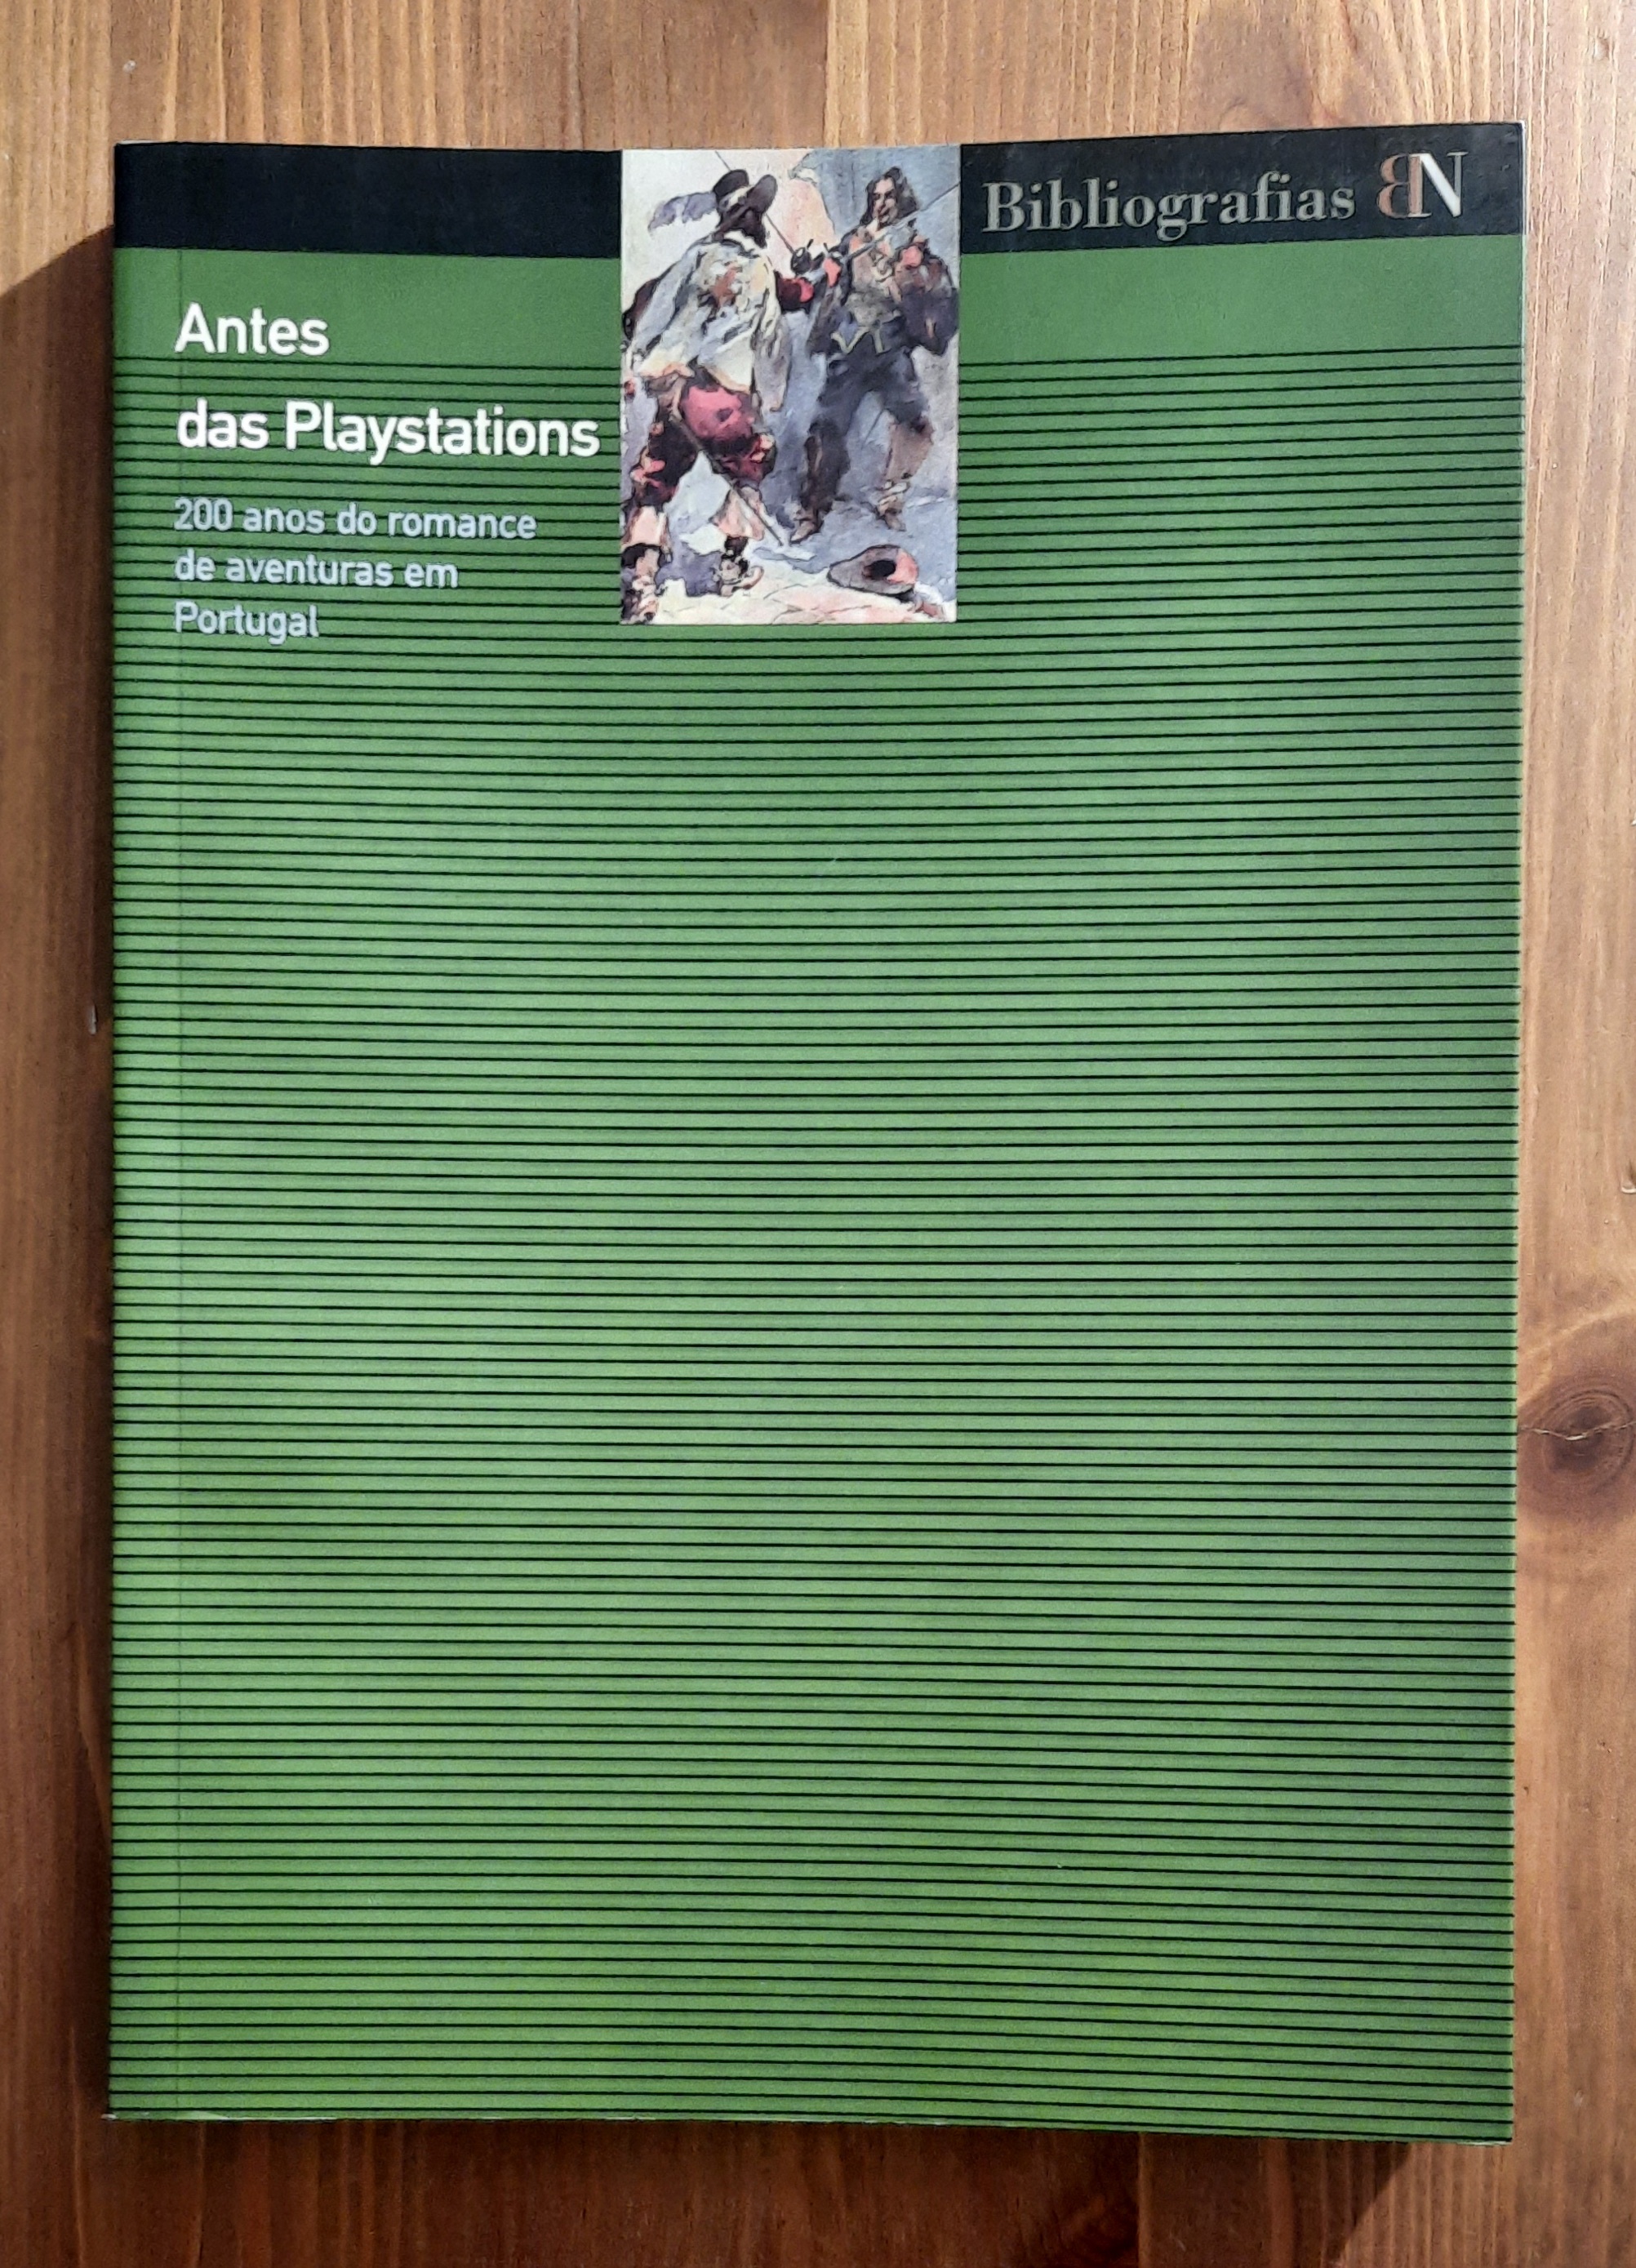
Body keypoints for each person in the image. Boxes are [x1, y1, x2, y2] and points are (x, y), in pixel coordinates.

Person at [620, 170, 818, 621]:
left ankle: (644, 582)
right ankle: (731, 566)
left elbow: (656, 310)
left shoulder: (697, 256)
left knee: (657, 478)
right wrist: (770, 395)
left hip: (679, 390)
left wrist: (645, 363)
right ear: (755, 222)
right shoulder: (762, 270)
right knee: (750, 464)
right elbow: (773, 339)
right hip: (727, 399)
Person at [790, 166, 958, 541]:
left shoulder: (915, 249)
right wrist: (814, 269)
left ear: (902, 200)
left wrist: (913, 273)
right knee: (827, 426)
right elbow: (822, 277)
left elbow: (937, 300)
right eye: (877, 197)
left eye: (889, 197)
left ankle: (892, 500)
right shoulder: (854, 241)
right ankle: (812, 510)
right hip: (850, 346)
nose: (882, 204)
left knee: (915, 423)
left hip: (891, 348)